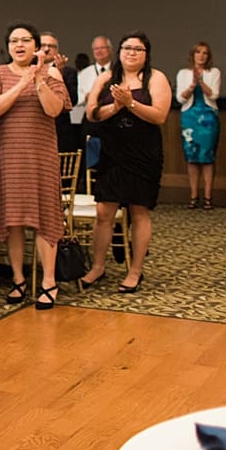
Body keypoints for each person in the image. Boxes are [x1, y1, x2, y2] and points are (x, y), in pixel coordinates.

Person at [0, 24, 71, 309]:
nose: (19, 45)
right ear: (8, 46)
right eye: (13, 41)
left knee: (45, 218)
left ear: (36, 46)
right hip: (10, 156)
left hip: (41, 156)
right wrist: (21, 84)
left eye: (25, 40)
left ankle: (48, 281)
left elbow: (55, 110)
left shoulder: (52, 72)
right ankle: (18, 279)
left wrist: (39, 79)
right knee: (14, 220)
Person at [80, 32, 171, 294]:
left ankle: (135, 271)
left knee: (138, 211)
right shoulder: (106, 78)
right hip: (112, 153)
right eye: (127, 48)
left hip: (143, 154)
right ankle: (98, 266)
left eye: (138, 49)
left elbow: (160, 116)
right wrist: (116, 107)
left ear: (146, 54)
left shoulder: (156, 78)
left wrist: (130, 102)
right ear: (119, 51)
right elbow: (92, 113)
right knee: (103, 212)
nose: (131, 52)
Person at [176, 42, 221, 210]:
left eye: (205, 53)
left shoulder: (214, 72)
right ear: (192, 55)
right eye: (198, 52)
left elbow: (214, 94)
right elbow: (180, 98)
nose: (201, 56)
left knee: (207, 157)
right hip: (190, 118)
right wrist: (192, 84)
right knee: (192, 157)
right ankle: (193, 196)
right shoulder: (183, 73)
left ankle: (208, 197)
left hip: (208, 117)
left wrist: (201, 81)